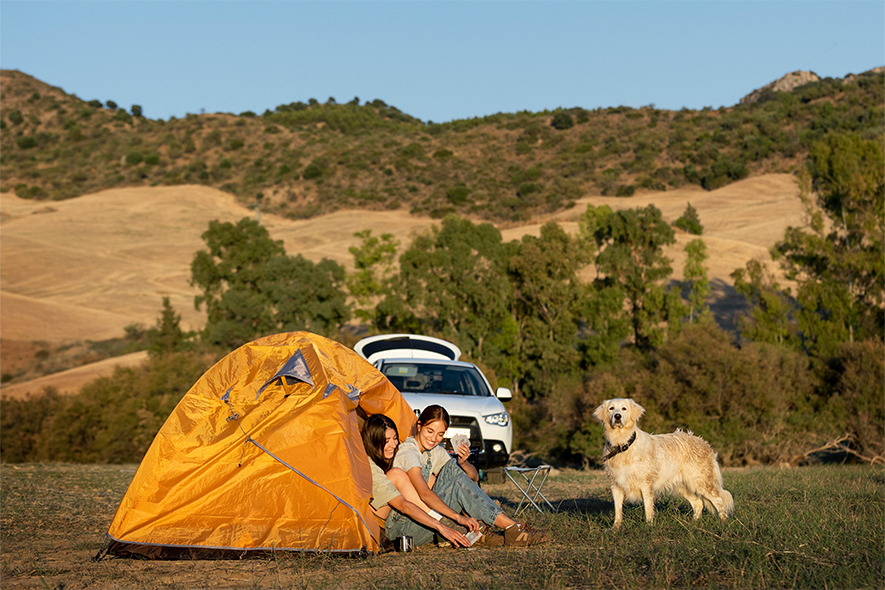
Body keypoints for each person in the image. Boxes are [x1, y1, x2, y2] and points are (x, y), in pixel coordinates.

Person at [391, 405, 549, 547]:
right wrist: (458, 518)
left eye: (440, 434)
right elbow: (424, 494)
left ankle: (479, 530)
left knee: (454, 469)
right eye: (430, 431)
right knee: (456, 481)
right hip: (406, 526)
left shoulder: (434, 451)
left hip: (429, 517)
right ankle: (511, 527)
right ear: (419, 426)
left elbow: (473, 478)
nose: (433, 439)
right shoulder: (408, 451)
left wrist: (464, 462)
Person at [361, 413, 471, 549]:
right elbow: (403, 505)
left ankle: (473, 520)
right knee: (397, 474)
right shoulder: (370, 466)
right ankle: (445, 521)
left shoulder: (390, 456)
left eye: (395, 438)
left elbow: (472, 477)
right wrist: (441, 526)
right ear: (373, 441)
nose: (394, 444)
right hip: (378, 525)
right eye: (386, 440)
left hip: (397, 515)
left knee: (427, 476)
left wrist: (463, 464)